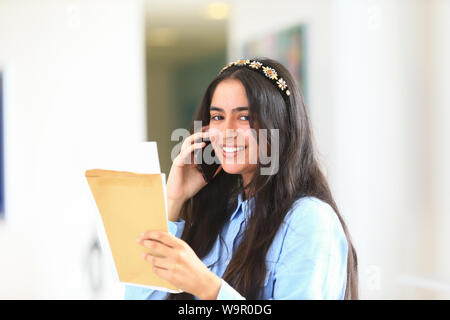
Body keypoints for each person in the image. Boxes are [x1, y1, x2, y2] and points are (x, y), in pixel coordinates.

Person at [125, 57, 358, 300]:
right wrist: (174, 199)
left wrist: (209, 288)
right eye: (217, 117)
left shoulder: (308, 220)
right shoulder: (218, 220)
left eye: (244, 117)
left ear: (280, 126)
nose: (226, 133)